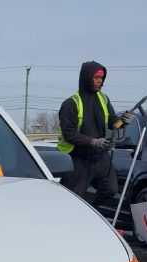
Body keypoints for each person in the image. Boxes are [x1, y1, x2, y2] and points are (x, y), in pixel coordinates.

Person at [57, 61, 133, 207]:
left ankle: (88, 211)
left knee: (111, 189)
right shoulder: (71, 104)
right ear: (86, 78)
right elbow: (69, 134)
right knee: (70, 200)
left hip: (100, 157)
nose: (100, 81)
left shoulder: (103, 99)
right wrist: (93, 141)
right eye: (96, 77)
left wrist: (123, 121)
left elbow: (113, 123)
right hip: (77, 160)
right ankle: (73, 217)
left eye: (102, 78)